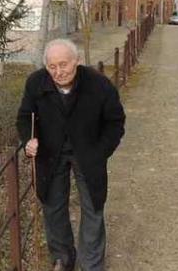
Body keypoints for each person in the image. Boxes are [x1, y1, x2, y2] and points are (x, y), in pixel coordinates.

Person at [16, 38, 125, 271]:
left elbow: (115, 122)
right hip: (50, 153)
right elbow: (25, 117)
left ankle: (91, 264)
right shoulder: (36, 83)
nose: (58, 72)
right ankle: (63, 258)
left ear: (77, 61)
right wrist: (29, 140)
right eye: (52, 66)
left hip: (88, 152)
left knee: (93, 207)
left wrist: (100, 152)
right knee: (53, 206)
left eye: (64, 64)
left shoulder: (99, 85)